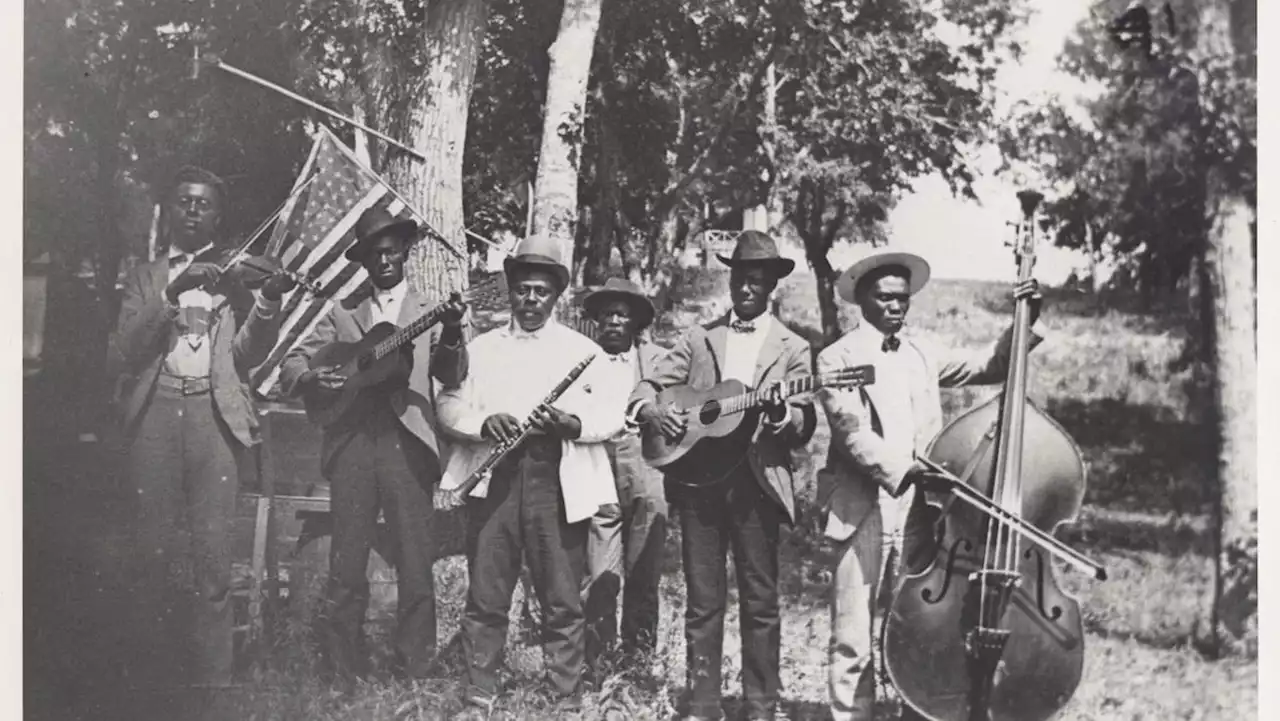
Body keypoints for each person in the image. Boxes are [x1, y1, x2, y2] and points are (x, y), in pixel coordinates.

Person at [815, 248, 1045, 721]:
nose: (896, 307)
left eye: (903, 299)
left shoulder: (923, 351)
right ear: (862, 300)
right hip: (862, 510)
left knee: (916, 629)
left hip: (920, 514)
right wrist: (910, 470)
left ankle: (914, 712)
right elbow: (852, 432)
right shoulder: (837, 356)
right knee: (853, 636)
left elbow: (990, 365)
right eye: (885, 299)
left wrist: (1026, 319)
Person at [107, 165, 297, 690]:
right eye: (185, 201)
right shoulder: (145, 273)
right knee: (151, 552)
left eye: (204, 204)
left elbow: (249, 357)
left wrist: (268, 301)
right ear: (170, 210)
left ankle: (214, 684)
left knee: (214, 558)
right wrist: (173, 291)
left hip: (214, 419)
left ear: (218, 216)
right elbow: (123, 350)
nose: (193, 210)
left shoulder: (233, 276)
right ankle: (147, 675)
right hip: (156, 415)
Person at [628, 230, 817, 721]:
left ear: (771, 285)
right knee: (702, 600)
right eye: (740, 278)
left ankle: (760, 707)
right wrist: (651, 411)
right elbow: (650, 384)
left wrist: (779, 416)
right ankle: (703, 705)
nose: (747, 288)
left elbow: (802, 419)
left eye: (757, 280)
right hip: (699, 485)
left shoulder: (793, 347)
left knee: (760, 602)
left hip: (757, 484)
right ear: (730, 280)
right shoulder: (700, 337)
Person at [436, 234, 625, 717]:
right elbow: (448, 403)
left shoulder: (585, 351)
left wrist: (573, 424)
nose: (531, 300)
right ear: (511, 290)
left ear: (557, 294)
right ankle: (480, 688)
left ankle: (564, 692)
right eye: (522, 289)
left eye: (541, 291)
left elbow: (612, 415)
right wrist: (483, 423)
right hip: (497, 477)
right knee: (488, 588)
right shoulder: (483, 347)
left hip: (556, 479)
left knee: (561, 592)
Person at [278, 205, 469, 684]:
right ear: (363, 261)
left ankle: (415, 672)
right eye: (373, 254)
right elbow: (293, 362)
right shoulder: (344, 314)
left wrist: (450, 330)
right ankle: (342, 671)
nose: (384, 261)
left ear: (405, 251)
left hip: (407, 446)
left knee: (414, 562)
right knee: (347, 563)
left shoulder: (429, 310)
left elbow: (453, 374)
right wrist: (312, 378)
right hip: (353, 445)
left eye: (391, 251)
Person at [578, 278, 670, 673]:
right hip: (596, 461)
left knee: (645, 567)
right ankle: (597, 663)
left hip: (646, 461)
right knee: (599, 570)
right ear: (597, 320)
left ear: (636, 322)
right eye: (607, 315)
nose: (614, 321)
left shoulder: (661, 360)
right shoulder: (582, 359)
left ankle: (638, 663)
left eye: (623, 314)